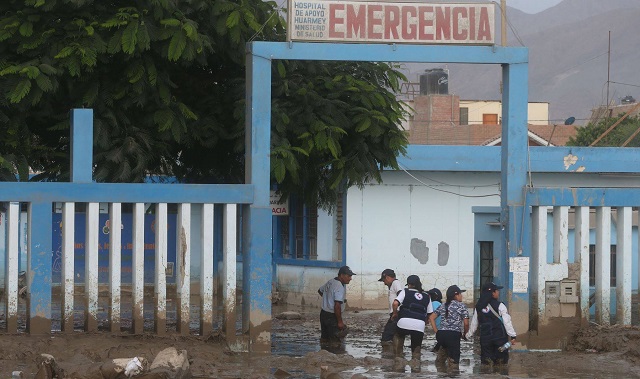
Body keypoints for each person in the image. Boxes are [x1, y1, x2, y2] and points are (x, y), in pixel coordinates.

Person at [465, 282, 517, 366]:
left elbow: (474, 324)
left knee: (486, 365)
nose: (498, 292)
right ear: (492, 293)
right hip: (499, 338)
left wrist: (467, 335)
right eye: (497, 290)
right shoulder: (500, 305)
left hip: (485, 339)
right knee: (501, 364)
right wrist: (513, 336)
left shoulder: (478, 307)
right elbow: (507, 322)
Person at [391, 275, 433, 372]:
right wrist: (425, 321)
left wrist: (395, 313)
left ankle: (398, 358)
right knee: (416, 344)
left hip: (404, 322)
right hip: (419, 325)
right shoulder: (427, 296)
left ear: (409, 284)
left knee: (398, 335)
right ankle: (416, 363)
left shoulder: (405, 291)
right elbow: (430, 313)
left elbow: (395, 303)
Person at [429, 285, 469, 368]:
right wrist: (465, 334)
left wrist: (437, 331)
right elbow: (466, 323)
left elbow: (431, 317)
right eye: (460, 294)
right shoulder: (462, 306)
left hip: (442, 335)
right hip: (453, 336)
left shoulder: (443, 305)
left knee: (440, 362)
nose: (461, 296)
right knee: (454, 364)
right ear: (456, 295)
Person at [318, 265, 355, 346]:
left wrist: (327, 299)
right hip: (332, 316)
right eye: (349, 276)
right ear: (342, 275)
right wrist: (340, 322)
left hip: (323, 314)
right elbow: (337, 306)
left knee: (324, 339)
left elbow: (320, 290)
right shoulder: (339, 287)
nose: (350, 278)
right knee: (335, 343)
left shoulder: (331, 281)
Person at [379, 268, 404, 349]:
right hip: (395, 312)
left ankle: (388, 356)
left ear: (387, 277)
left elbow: (401, 295)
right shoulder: (393, 284)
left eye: (384, 280)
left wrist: (395, 312)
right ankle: (396, 353)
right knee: (395, 334)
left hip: (397, 312)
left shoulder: (396, 283)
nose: (384, 283)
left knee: (386, 337)